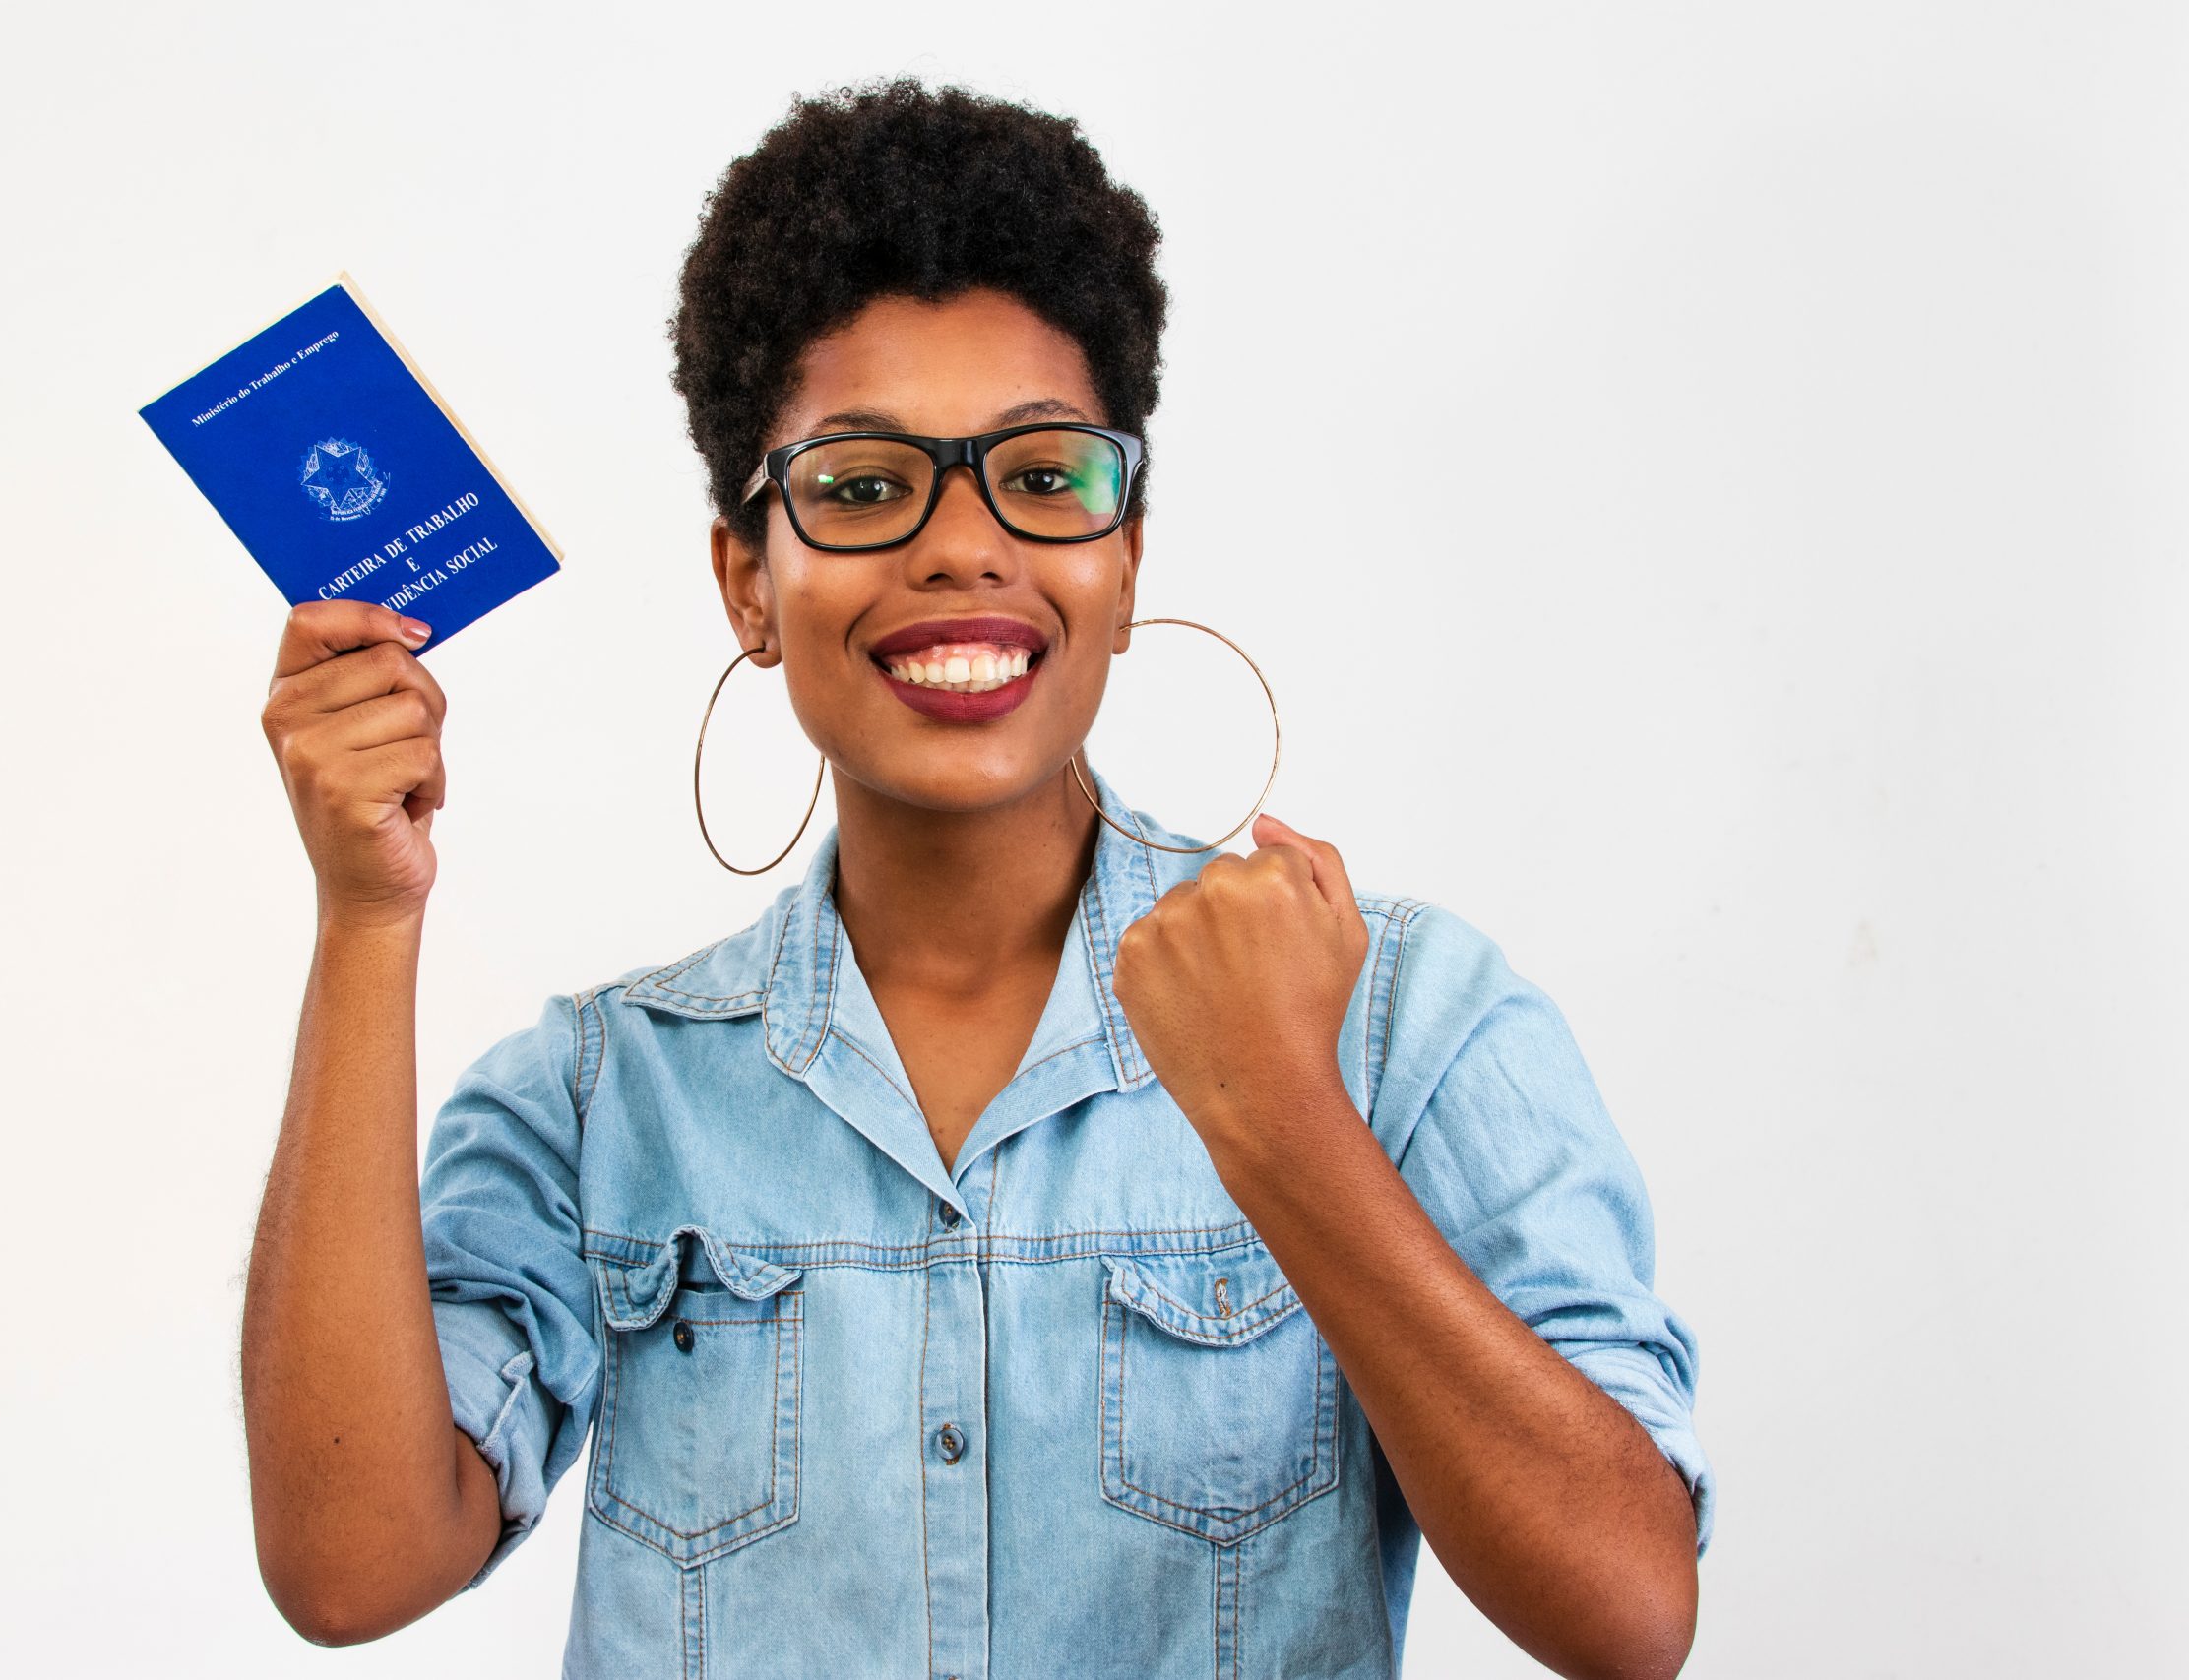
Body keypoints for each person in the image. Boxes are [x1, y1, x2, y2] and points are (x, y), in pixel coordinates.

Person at [240, 76, 1712, 1678]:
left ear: (1127, 552)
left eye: (1045, 474)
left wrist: (1282, 1118)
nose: (962, 546)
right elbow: (351, 1563)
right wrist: (366, 919)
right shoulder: (604, 1099)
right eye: (863, 486)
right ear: (747, 577)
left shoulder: (1402, 1017)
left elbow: (1627, 1613)